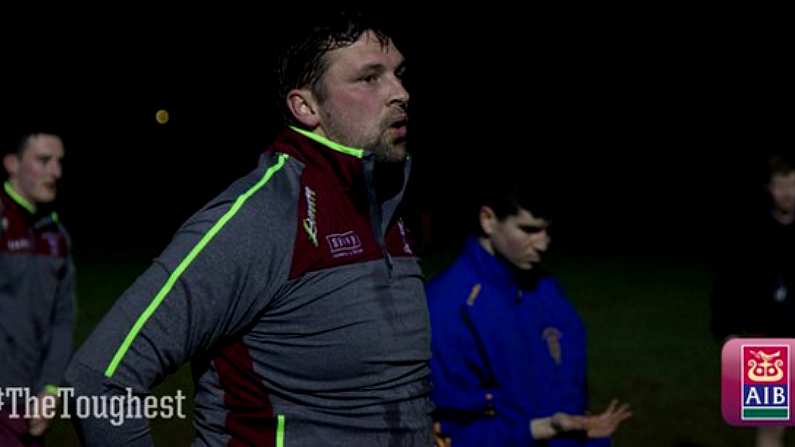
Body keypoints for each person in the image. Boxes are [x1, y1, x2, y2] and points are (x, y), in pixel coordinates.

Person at [65, 10, 436, 446]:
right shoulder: (264, 215)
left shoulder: (386, 206)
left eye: (398, 73)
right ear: (306, 106)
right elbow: (98, 380)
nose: (401, 92)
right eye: (370, 78)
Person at [426, 180, 631, 446]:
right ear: (488, 220)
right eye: (529, 229)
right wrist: (538, 430)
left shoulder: (545, 288)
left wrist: (586, 434)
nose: (543, 244)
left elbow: (568, 391)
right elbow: (452, 432)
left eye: (547, 230)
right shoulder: (449, 306)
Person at [711, 155, 795, 447]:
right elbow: (725, 284)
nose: (788, 192)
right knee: (771, 429)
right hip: (766, 344)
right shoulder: (748, 231)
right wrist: (727, 331)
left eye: (794, 185)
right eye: (781, 185)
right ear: (769, 188)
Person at [0, 131, 74, 446]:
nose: (55, 172)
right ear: (12, 164)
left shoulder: (56, 235)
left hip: (31, 405)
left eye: (59, 162)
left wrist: (50, 388)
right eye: (44, 160)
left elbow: (62, 320)